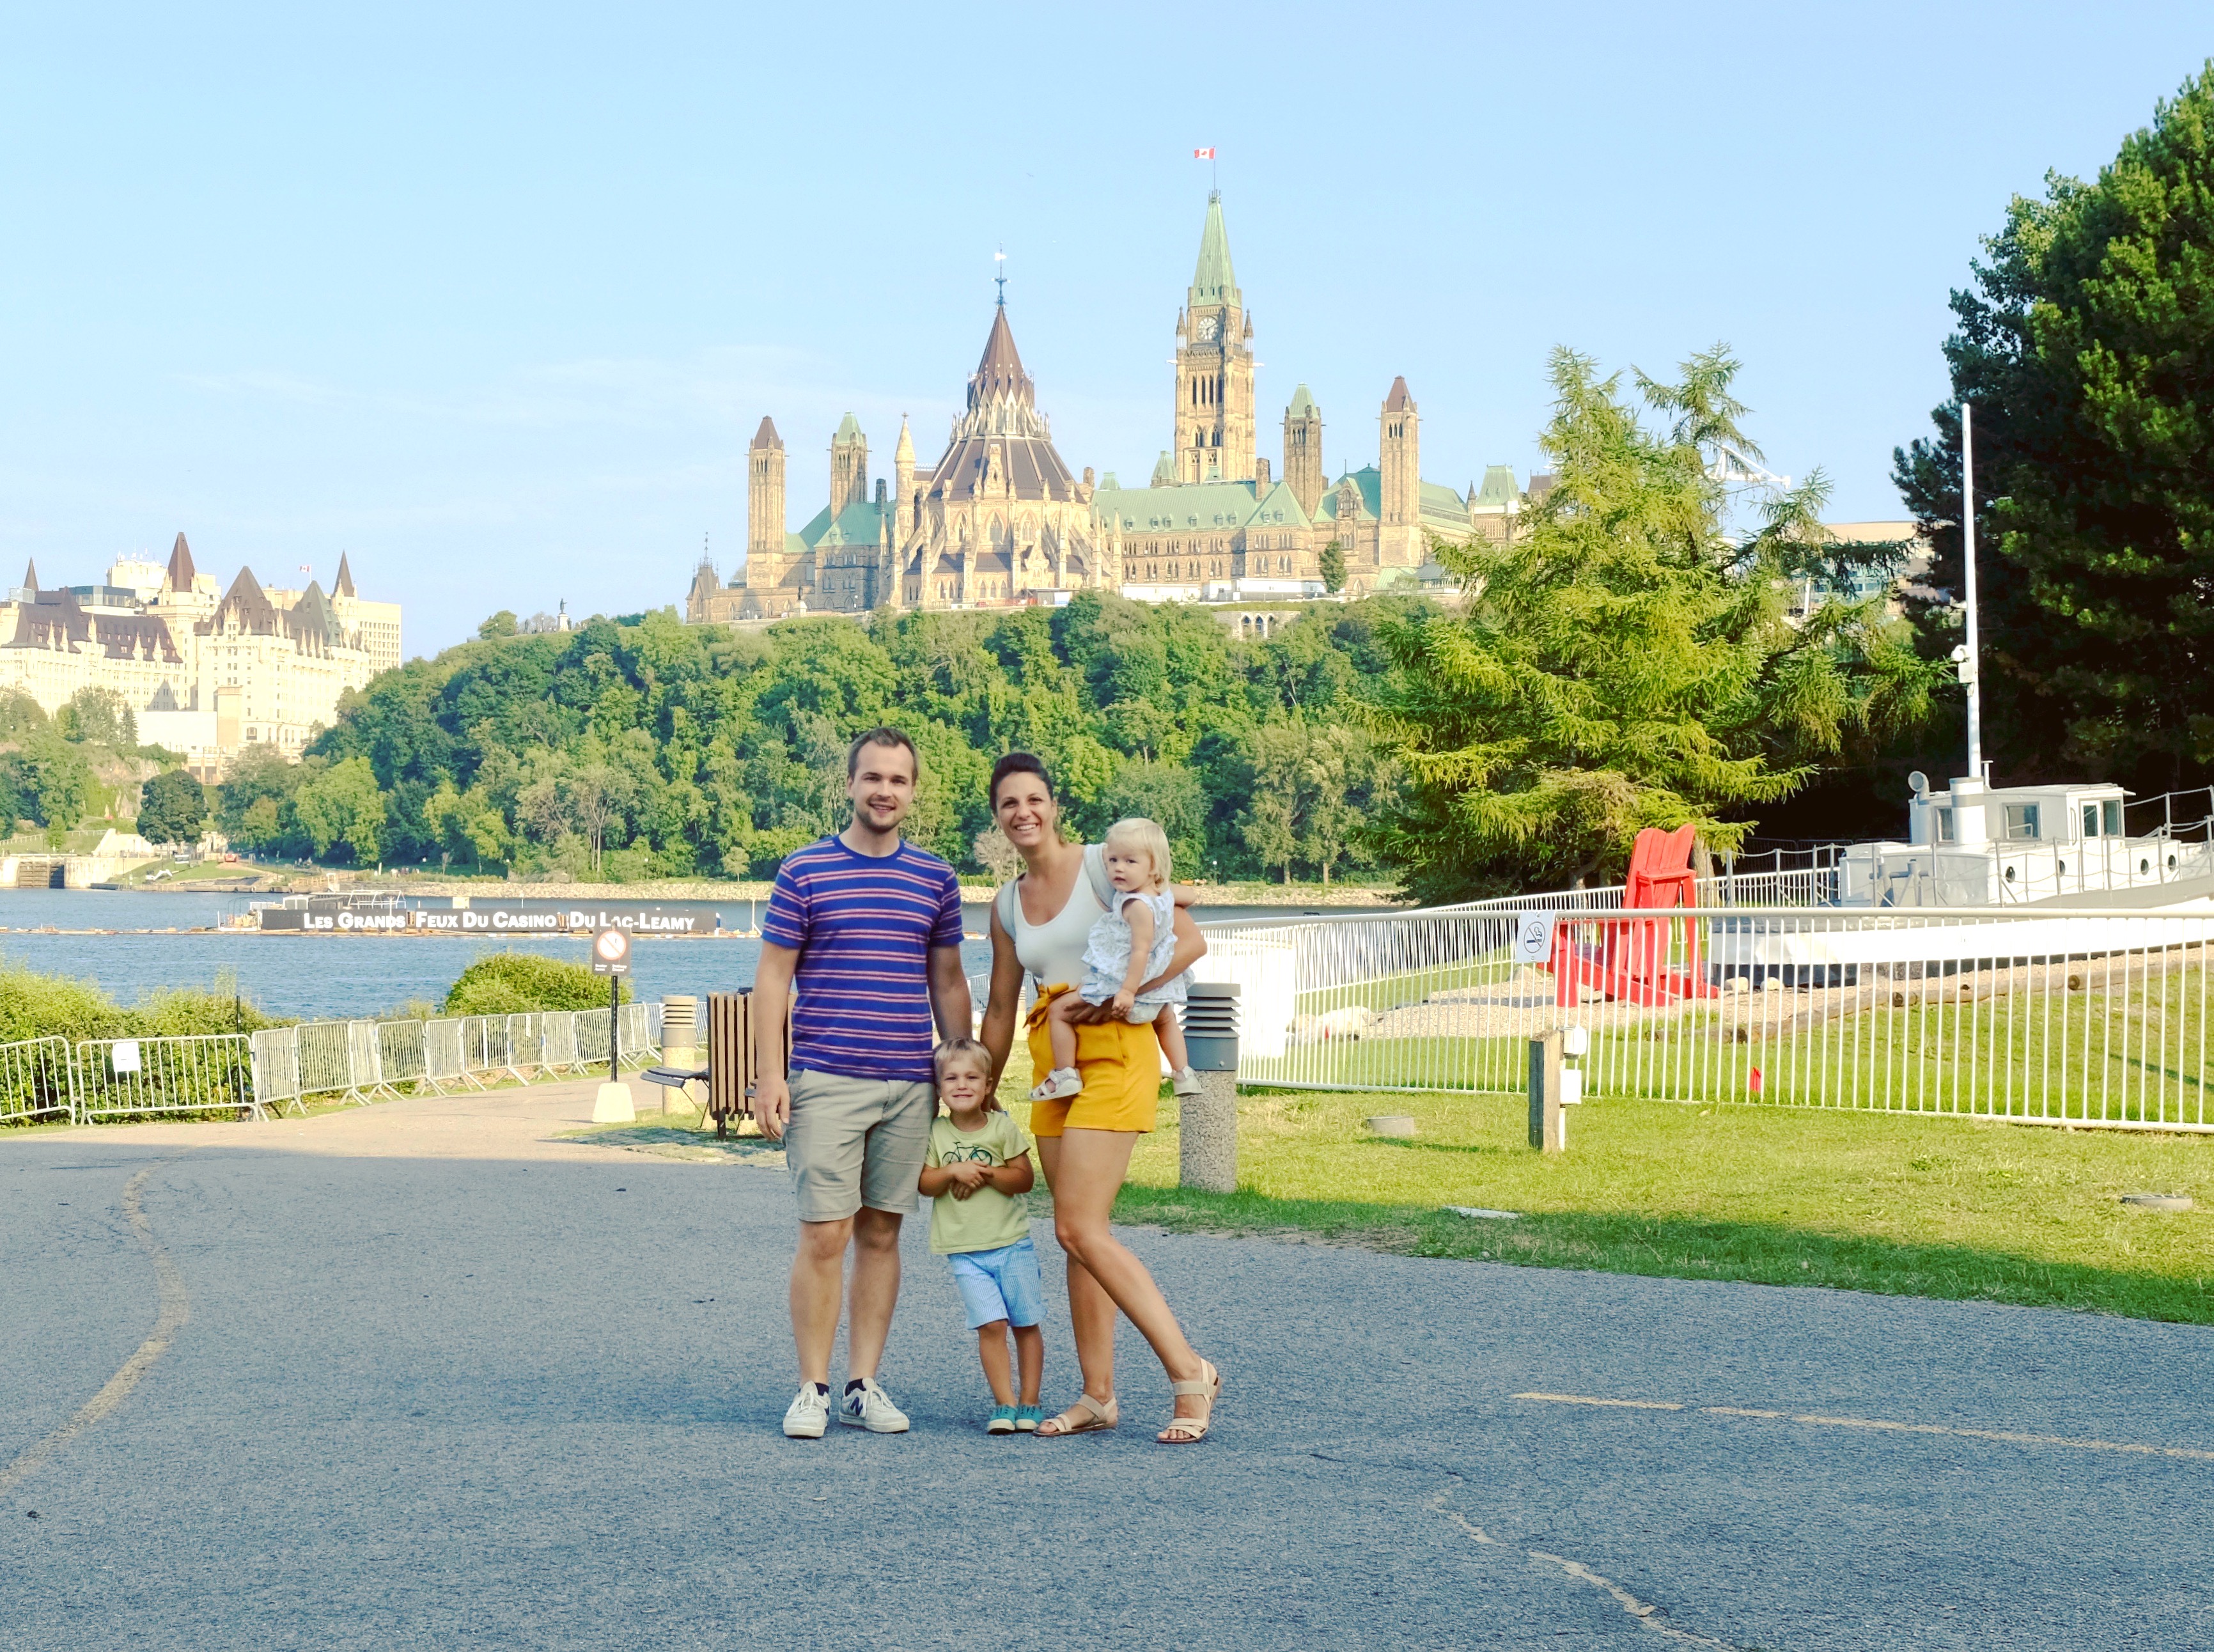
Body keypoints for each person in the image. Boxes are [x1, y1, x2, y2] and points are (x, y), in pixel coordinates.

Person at [979, 751, 1222, 1446]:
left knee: (1080, 1227)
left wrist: (1126, 996)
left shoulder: (1106, 864)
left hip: (1113, 1046)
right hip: (1052, 1056)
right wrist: (981, 1090)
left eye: (1034, 798)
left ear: (1054, 805)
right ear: (997, 817)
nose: (1023, 812)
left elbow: (1190, 941)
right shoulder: (1006, 903)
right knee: (1074, 1232)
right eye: (1008, 803)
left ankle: (1189, 1371)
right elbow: (999, 1005)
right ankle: (1098, 1394)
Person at [751, 727, 972, 1441]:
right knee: (825, 1233)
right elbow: (774, 976)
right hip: (826, 1077)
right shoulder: (805, 870)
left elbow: (948, 980)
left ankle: (860, 1384)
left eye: (898, 780)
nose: (884, 790)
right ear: (849, 784)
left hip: (909, 1082)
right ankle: (811, 1388)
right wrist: (769, 1074)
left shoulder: (935, 877)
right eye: (872, 777)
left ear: (912, 791)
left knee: (881, 1233)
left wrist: (965, 1076)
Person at [917, 1036, 1045, 1435]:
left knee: (1025, 1323)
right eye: (951, 1078)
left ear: (988, 1085)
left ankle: (1030, 1402)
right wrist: (953, 1171)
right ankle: (1004, 1404)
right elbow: (924, 1184)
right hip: (965, 1251)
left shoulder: (1002, 1127)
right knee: (991, 1325)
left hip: (1012, 1244)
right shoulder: (935, 1134)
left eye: (972, 1077)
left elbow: (1024, 1179)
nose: (962, 1085)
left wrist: (986, 1173)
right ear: (939, 1088)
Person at [1031, 816, 1201, 1102]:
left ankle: (1065, 1073)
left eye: (1130, 861)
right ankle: (1183, 1072)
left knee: (1059, 1012)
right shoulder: (1161, 895)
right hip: (1159, 989)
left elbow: (1139, 951)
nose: (1118, 868)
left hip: (1123, 983)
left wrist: (1128, 991)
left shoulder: (1136, 905)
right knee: (1166, 1019)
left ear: (1153, 866)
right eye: (1112, 860)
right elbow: (1190, 896)